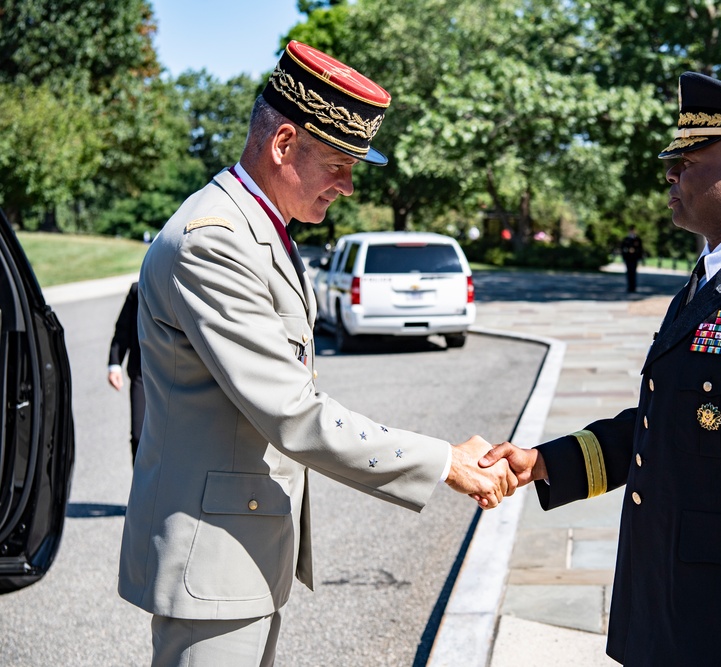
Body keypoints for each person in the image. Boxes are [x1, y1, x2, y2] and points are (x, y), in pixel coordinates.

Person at [118, 41, 513, 666]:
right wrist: (445, 462)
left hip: (236, 547)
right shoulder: (214, 242)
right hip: (210, 558)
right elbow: (294, 414)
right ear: (283, 145)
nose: (349, 186)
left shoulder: (254, 226)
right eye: (339, 163)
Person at [483, 72, 721, 666]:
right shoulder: (710, 280)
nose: (670, 173)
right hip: (678, 611)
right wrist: (544, 463)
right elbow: (669, 421)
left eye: (688, 161)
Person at [107, 281, 143, 464]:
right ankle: (142, 486)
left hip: (177, 374)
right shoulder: (138, 290)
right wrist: (115, 364)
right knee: (138, 436)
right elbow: (123, 329)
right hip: (141, 375)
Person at [620, 226, 644, 292]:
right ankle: (629, 287)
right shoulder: (626, 239)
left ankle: (633, 287)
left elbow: (640, 249)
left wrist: (638, 255)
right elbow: (623, 249)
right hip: (628, 258)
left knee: (633, 272)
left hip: (634, 258)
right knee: (629, 273)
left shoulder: (638, 239)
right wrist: (627, 252)